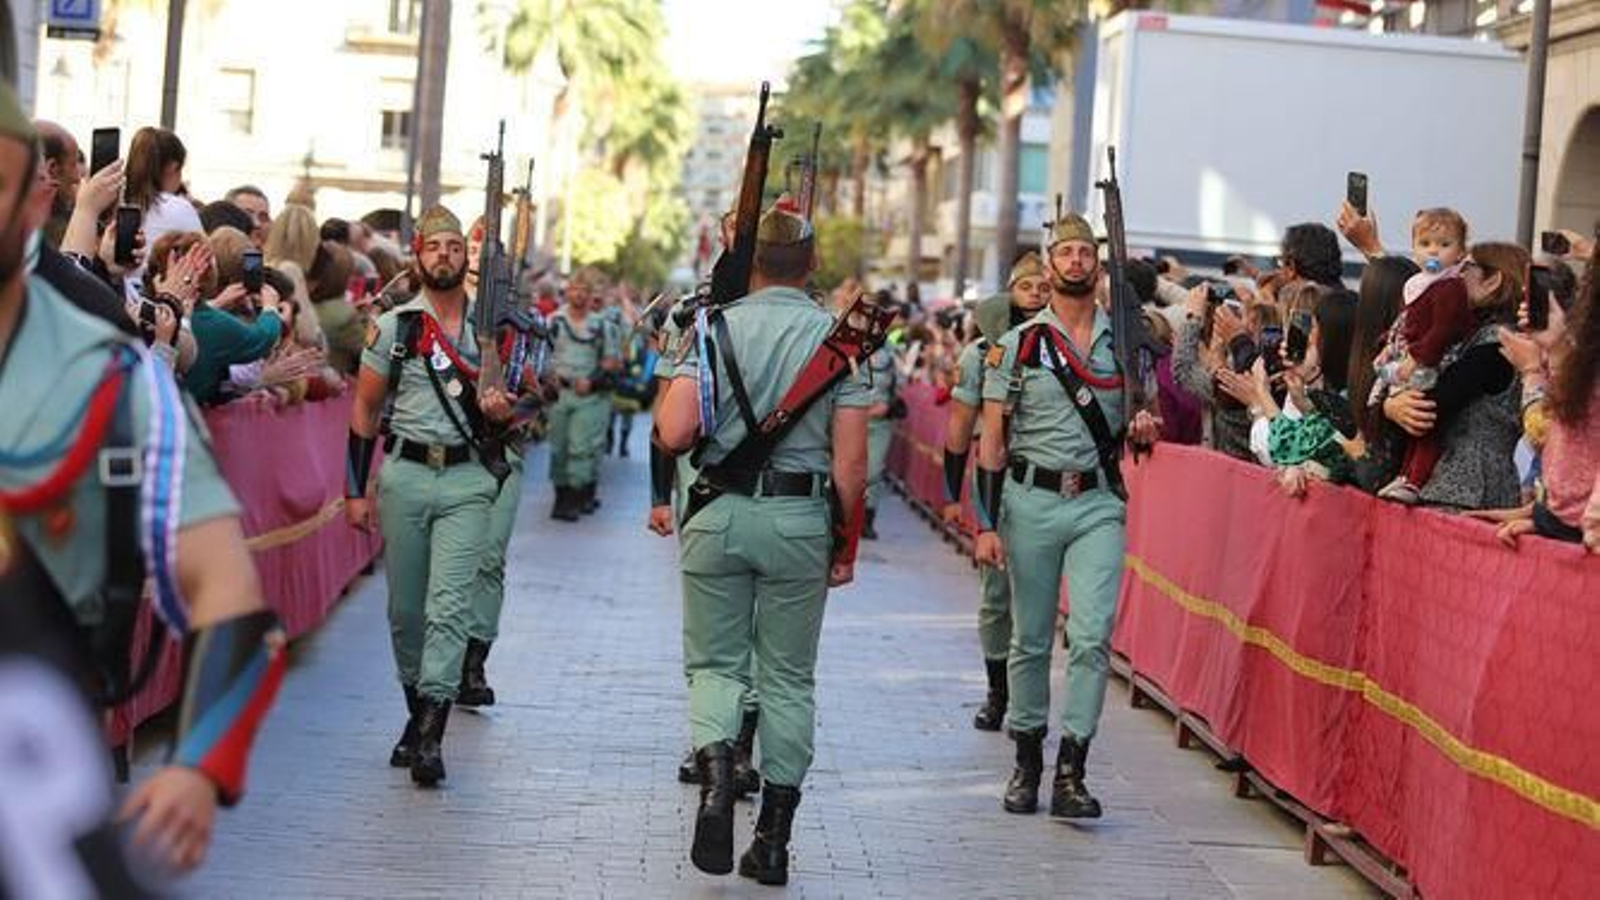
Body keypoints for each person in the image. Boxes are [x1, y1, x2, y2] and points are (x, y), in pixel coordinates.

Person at [0, 84, 283, 892]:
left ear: (33, 201)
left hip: (37, 815)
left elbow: (228, 590)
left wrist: (199, 764)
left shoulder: (115, 383)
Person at [654, 205, 871, 885]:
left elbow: (674, 430)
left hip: (718, 516)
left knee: (717, 665)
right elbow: (853, 465)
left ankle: (719, 781)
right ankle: (773, 839)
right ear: (811, 264)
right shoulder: (839, 344)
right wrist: (846, 542)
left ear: (751, 263)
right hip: (798, 519)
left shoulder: (713, 328)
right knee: (787, 679)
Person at [973, 212, 1161, 820]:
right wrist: (984, 521)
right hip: (1028, 501)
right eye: (1067, 252)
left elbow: (1149, 412)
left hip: (1098, 502)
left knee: (1091, 635)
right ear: (1049, 265)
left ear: (1098, 266)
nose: (1077, 260)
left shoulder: (1125, 343)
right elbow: (992, 438)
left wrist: (1144, 423)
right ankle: (1027, 760)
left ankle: (1072, 769)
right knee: (1029, 639)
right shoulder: (1019, 345)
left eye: (1086, 252)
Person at [344, 206, 515, 787]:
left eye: (453, 246)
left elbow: (527, 400)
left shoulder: (488, 331)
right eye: (434, 246)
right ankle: (417, 713)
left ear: (466, 258)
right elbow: (365, 410)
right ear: (417, 255)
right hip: (406, 476)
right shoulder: (395, 328)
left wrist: (505, 409)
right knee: (406, 611)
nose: (444, 254)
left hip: (467, 480)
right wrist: (354, 491)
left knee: (449, 608)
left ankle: (432, 735)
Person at [942, 253, 1047, 732]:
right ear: (1010, 290)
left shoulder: (1065, 347)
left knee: (1036, 600)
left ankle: (1029, 698)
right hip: (996, 481)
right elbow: (960, 429)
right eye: (1026, 285)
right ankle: (997, 690)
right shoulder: (981, 354)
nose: (1037, 293)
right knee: (997, 595)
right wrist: (951, 492)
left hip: (1045, 482)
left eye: (1043, 285)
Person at [1381, 242, 1526, 512]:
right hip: (1479, 488)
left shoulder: (1497, 344)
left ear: (1493, 280)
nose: (1455, 274)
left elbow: (1432, 403)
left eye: (1466, 267)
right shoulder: (1492, 337)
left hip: (1466, 491)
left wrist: (1390, 403)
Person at [1368, 209, 1476, 503]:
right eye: (1425, 243)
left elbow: (1442, 329)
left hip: (1435, 361)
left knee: (1424, 420)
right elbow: (1404, 322)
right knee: (1411, 421)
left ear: (1460, 251)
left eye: (1444, 245)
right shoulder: (1419, 282)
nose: (1433, 251)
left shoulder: (1450, 285)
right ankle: (1405, 473)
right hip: (1411, 358)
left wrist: (1417, 358)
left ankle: (1415, 480)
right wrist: (1387, 346)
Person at [545, 267, 620, 521]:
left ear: (590, 295)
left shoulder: (602, 326)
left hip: (588, 396)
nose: (578, 294)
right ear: (567, 292)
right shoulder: (554, 321)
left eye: (583, 290)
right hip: (560, 394)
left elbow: (612, 361)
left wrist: (592, 380)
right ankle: (560, 497)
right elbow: (542, 355)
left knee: (581, 448)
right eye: (573, 289)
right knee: (559, 449)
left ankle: (576, 499)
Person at [860, 292, 901, 540]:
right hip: (849, 419)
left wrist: (890, 405)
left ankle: (867, 518)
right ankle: (840, 519)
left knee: (873, 472)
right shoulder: (847, 346)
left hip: (880, 420)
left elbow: (901, 382)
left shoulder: (890, 349)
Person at [123, 127, 201, 252]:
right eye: (180, 170)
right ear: (172, 167)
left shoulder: (116, 203)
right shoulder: (179, 208)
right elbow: (204, 255)